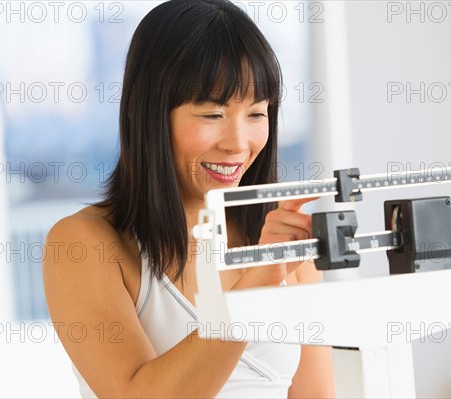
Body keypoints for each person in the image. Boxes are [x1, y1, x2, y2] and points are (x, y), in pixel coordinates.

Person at [42, 0, 336, 397]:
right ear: (148, 115)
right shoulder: (83, 244)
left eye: (256, 114)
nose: (237, 145)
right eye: (212, 115)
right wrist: (256, 285)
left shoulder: (282, 244)